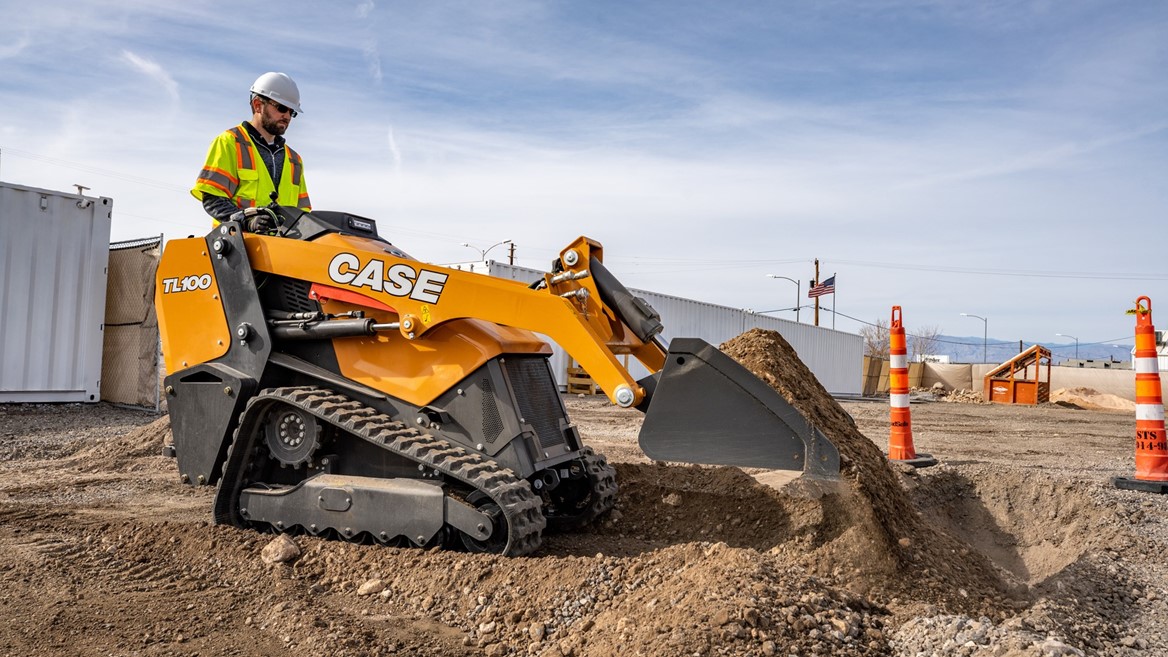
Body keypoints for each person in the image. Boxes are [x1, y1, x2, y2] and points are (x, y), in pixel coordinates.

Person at [191, 72, 312, 232]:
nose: (287, 116)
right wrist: (245, 221)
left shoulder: (294, 160)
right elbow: (212, 198)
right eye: (282, 108)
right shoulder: (230, 142)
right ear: (257, 105)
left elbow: (303, 215)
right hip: (236, 248)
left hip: (280, 250)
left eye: (292, 112)